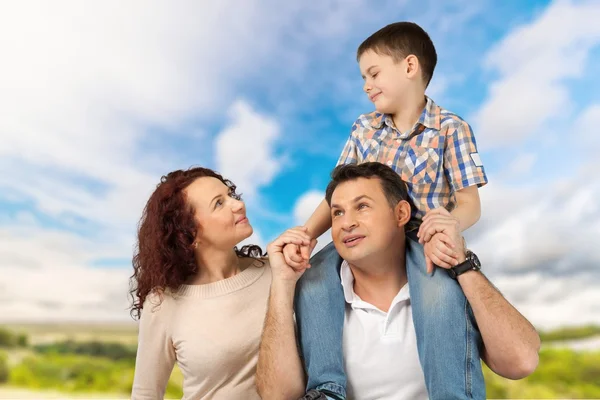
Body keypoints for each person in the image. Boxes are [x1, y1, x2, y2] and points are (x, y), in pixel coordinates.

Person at [282, 22, 489, 399]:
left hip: (419, 238)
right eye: (364, 76)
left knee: (441, 298)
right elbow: (336, 196)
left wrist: (449, 223)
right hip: (364, 237)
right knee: (311, 282)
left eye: (373, 73)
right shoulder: (364, 128)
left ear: (410, 67)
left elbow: (470, 202)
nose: (366, 85)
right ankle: (326, 388)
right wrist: (308, 234)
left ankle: (452, 392)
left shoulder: (450, 129)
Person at [257, 162, 540, 400]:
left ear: (401, 214)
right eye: (338, 212)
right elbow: (276, 396)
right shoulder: (315, 294)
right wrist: (282, 283)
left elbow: (521, 362)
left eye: (362, 207)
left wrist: (462, 263)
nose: (346, 223)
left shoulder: (447, 285)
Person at [129, 167, 310, 399]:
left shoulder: (279, 271)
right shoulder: (162, 304)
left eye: (231, 195)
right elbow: (146, 393)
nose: (238, 204)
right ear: (190, 235)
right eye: (219, 203)